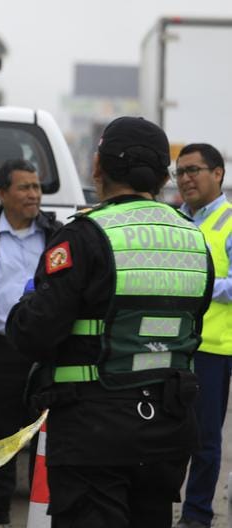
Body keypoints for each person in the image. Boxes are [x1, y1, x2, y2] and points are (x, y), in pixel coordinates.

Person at [6, 117, 213, 527]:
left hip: (93, 429)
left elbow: (35, 332)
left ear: (98, 167)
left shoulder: (85, 235)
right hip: (168, 426)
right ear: (161, 174)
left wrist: (28, 302)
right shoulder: (193, 237)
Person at [0, 159, 60, 526]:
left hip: (45, 350)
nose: (34, 194)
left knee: (47, 434)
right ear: (1, 193)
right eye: (24, 187)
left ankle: (48, 509)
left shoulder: (56, 234)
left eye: (37, 187)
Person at [174, 143, 231, 528]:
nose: (186, 178)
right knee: (167, 434)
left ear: (218, 174)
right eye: (180, 172)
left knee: (205, 441)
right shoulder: (173, 220)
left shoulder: (228, 222)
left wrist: (201, 283)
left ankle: (196, 514)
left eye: (194, 170)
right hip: (170, 346)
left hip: (213, 350)